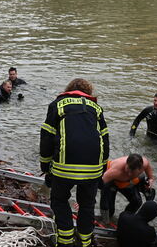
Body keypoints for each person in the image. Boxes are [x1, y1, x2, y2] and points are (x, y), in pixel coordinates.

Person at [40, 78, 109, 247]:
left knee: (60, 201)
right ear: (88, 92)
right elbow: (105, 140)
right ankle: (85, 242)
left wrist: (45, 166)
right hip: (93, 167)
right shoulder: (97, 108)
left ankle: (65, 241)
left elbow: (47, 137)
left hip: (64, 166)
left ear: (68, 90)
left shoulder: (57, 104)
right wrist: (103, 169)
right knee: (87, 205)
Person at [100, 153, 155, 222]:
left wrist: (150, 180)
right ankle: (105, 220)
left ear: (140, 169)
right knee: (109, 210)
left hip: (128, 183)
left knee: (137, 202)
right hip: (111, 182)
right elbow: (99, 185)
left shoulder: (145, 163)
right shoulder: (114, 171)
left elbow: (151, 177)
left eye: (132, 172)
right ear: (126, 164)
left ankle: (125, 220)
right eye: (127, 170)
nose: (129, 174)